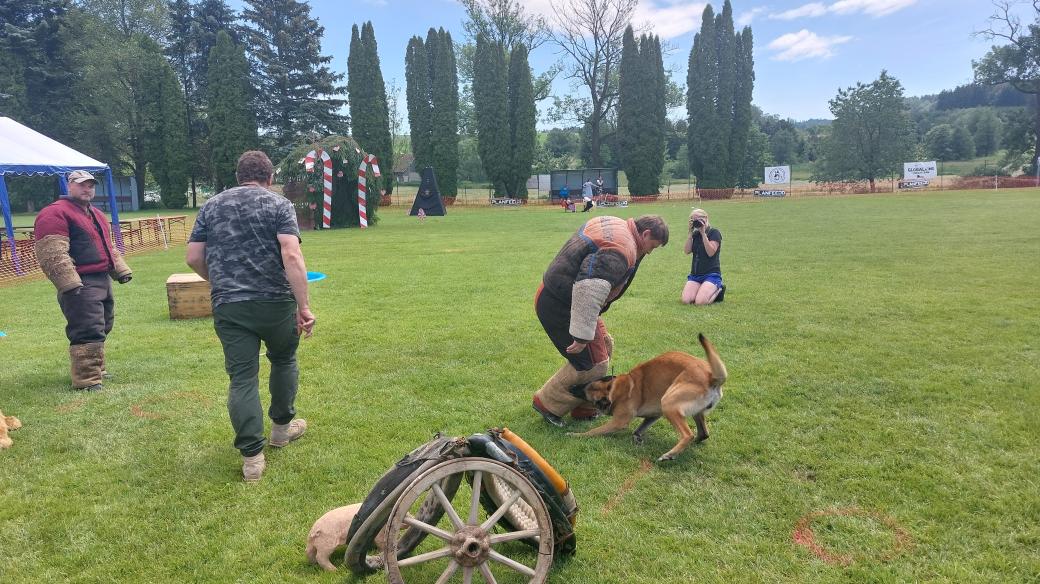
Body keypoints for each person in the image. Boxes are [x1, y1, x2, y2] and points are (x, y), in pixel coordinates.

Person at [186, 151, 316, 482]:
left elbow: (193, 257)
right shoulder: (279, 205)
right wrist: (303, 306)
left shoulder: (211, 206)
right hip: (275, 303)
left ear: (238, 175)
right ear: (269, 178)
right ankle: (281, 431)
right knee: (284, 361)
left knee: (242, 377)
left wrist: (219, 282)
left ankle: (252, 459)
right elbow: (291, 253)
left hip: (230, 305)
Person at [532, 215, 670, 427]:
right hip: (560, 306)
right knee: (593, 364)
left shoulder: (615, 223)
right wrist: (581, 334)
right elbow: (589, 288)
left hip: (562, 299)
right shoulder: (621, 248)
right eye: (652, 246)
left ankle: (583, 407)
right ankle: (548, 403)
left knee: (604, 344)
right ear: (645, 234)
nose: (650, 252)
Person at [34, 170, 133, 391]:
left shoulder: (95, 213)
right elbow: (52, 252)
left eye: (90, 185)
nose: (87, 188)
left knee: (104, 324)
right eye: (81, 184)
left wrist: (121, 270)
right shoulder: (54, 213)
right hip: (81, 281)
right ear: (69, 186)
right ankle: (87, 380)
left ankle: (97, 369)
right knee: (87, 328)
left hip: (101, 278)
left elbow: (108, 246)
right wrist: (69, 283)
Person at [681, 208, 724, 305]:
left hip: (711, 274)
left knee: (700, 302)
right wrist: (690, 234)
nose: (697, 222)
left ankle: (719, 289)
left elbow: (710, 252)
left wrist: (703, 234)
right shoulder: (695, 234)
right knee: (686, 301)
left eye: (698, 219)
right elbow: (687, 251)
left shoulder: (714, 233)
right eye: (693, 220)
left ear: (706, 218)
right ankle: (701, 288)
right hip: (696, 275)